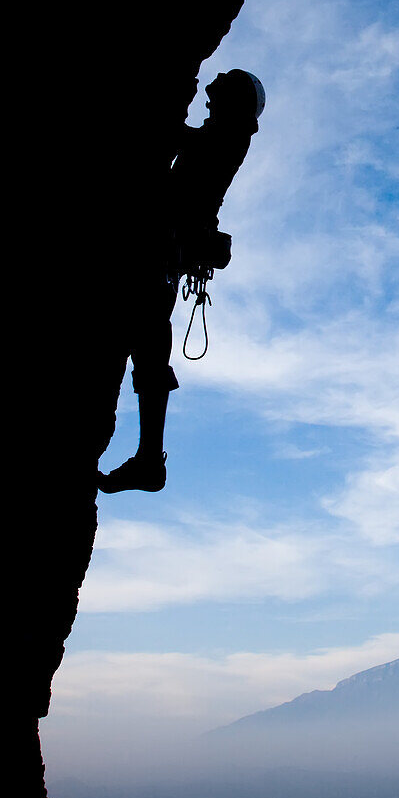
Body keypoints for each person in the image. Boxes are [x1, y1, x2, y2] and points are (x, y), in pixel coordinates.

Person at [97, 69, 265, 494]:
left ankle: (150, 459)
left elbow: (176, 139)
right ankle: (149, 458)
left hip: (165, 250)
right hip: (168, 249)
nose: (208, 97)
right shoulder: (226, 135)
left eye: (217, 93)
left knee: (150, 344)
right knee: (150, 345)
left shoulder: (226, 138)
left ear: (232, 105)